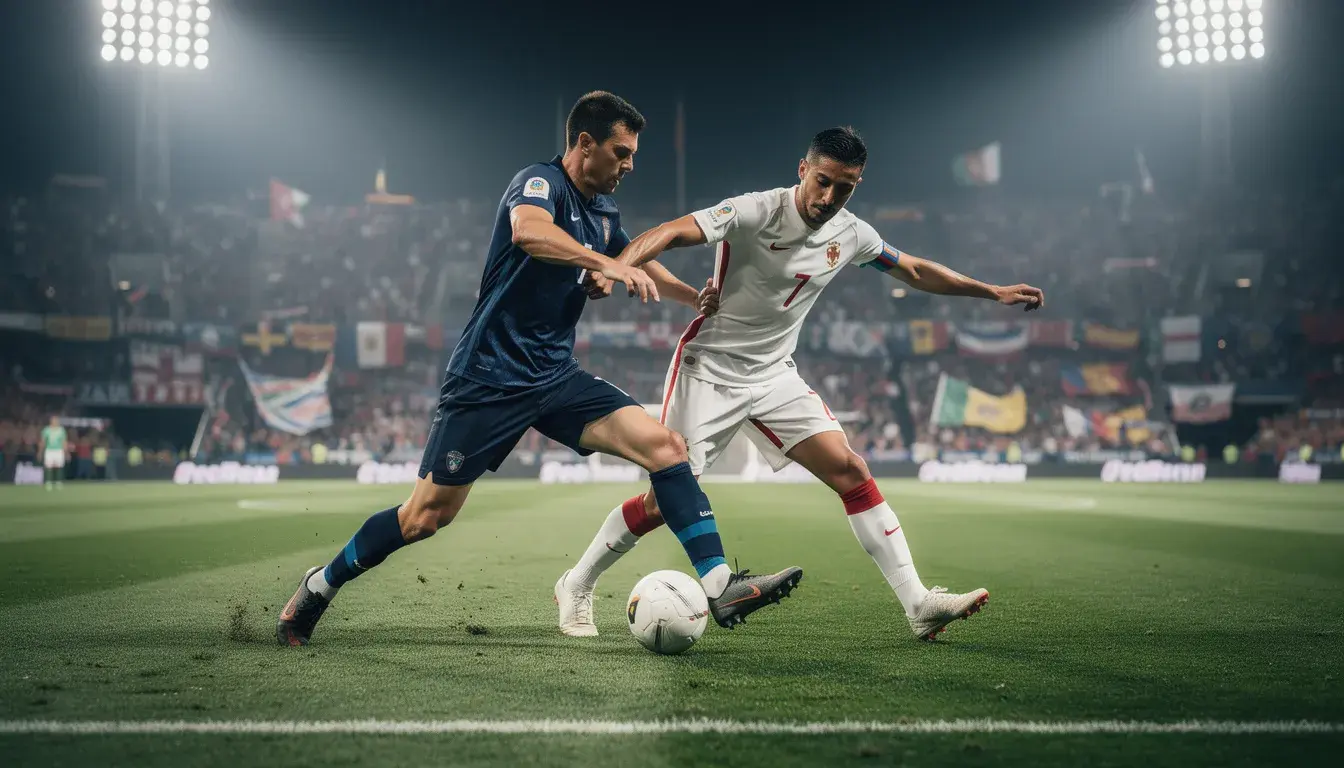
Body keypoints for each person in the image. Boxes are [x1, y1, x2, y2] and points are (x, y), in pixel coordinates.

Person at [277, 92, 803, 647]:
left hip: (555, 377)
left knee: (668, 449)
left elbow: (637, 259)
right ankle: (320, 585)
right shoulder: (538, 183)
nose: (628, 166)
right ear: (584, 143)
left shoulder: (603, 211)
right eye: (621, 153)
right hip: (488, 377)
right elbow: (531, 232)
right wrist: (603, 264)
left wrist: (690, 295)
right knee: (424, 518)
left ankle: (720, 585)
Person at [556, 126, 1045, 641]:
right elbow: (672, 231)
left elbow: (915, 270)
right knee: (664, 501)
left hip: (774, 375)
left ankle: (918, 603)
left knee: (851, 470)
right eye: (823, 181)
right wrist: (616, 266)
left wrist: (990, 292)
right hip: (711, 369)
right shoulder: (756, 210)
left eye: (845, 188)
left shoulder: (852, 233)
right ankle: (577, 582)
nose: (829, 198)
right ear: (802, 170)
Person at [39, 416, 67, 491]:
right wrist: (40, 452)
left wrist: (66, 451)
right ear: (51, 421)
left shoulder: (61, 430)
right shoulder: (46, 430)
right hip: (49, 450)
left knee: (59, 466)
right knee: (48, 466)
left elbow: (64, 442)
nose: (56, 422)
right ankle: (48, 483)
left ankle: (58, 482)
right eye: (54, 420)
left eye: (57, 420)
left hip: (59, 450)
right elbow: (43, 441)